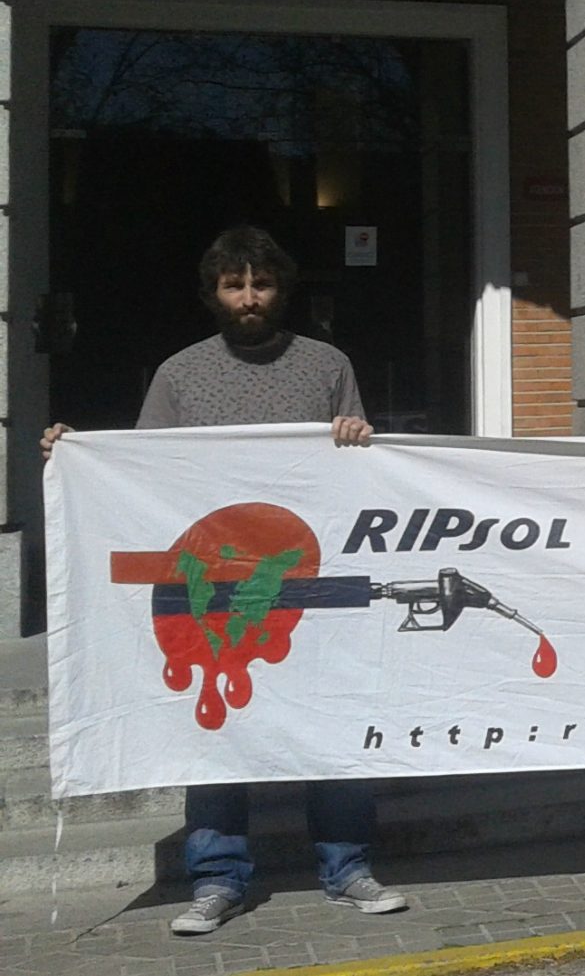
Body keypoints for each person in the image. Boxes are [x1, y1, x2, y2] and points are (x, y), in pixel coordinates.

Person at [41, 226, 405, 937]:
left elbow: (358, 476)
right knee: (211, 735)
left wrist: (359, 438)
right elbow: (141, 470)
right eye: (234, 285)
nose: (249, 298)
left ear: (281, 289)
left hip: (302, 585)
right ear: (213, 294)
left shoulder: (327, 364)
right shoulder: (179, 374)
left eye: (260, 284)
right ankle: (216, 879)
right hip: (209, 589)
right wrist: (77, 453)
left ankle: (347, 868)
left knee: (332, 722)